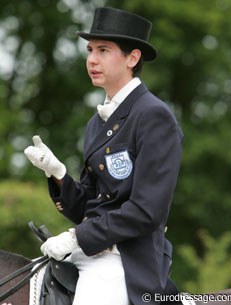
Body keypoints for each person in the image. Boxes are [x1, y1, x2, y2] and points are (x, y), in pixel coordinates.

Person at [24, 7, 183, 305]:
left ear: (132, 58)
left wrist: (75, 237)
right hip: (88, 250)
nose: (92, 60)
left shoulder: (153, 116)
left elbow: (147, 212)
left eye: (103, 50)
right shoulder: (97, 122)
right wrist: (57, 174)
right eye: (90, 50)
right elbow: (89, 207)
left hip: (126, 258)